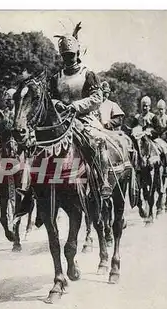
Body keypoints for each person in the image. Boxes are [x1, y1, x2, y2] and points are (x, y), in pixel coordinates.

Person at [48, 23, 111, 198]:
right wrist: (56, 103)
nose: (68, 58)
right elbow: (49, 98)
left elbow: (97, 98)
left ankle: (103, 180)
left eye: (71, 55)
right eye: (65, 56)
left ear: (77, 53)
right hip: (61, 121)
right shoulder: (56, 78)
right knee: (39, 146)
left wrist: (76, 106)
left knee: (99, 140)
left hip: (84, 119)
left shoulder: (88, 74)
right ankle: (35, 191)